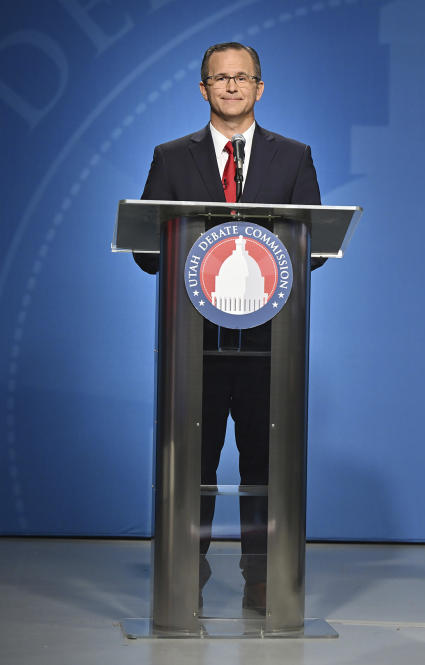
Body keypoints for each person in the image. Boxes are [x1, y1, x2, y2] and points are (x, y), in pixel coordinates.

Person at [134, 42, 323, 613]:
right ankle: (186, 573)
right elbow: (147, 250)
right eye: (221, 78)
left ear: (260, 88)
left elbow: (311, 250)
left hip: (269, 345)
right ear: (204, 89)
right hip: (194, 345)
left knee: (265, 463)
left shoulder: (293, 157)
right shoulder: (171, 157)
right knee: (196, 461)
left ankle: (261, 577)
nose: (233, 87)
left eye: (243, 78)